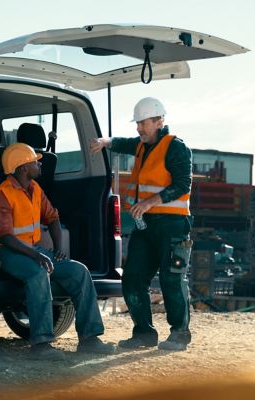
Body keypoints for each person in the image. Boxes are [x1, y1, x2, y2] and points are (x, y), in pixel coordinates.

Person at [0, 143, 116, 360]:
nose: (39, 163)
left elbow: (53, 218)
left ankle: (90, 339)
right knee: (37, 272)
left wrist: (58, 249)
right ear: (23, 167)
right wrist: (37, 255)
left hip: (29, 249)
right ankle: (41, 344)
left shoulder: (35, 189)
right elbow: (5, 237)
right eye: (35, 161)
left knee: (79, 271)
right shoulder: (2, 195)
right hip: (0, 251)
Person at [90, 97, 194, 351]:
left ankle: (180, 334)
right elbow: (125, 143)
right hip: (145, 225)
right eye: (137, 123)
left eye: (143, 123)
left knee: (172, 279)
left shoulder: (176, 147)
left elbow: (183, 184)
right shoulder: (142, 145)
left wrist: (150, 202)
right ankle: (144, 334)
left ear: (159, 121)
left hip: (172, 224)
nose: (138, 128)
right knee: (133, 277)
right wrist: (107, 142)